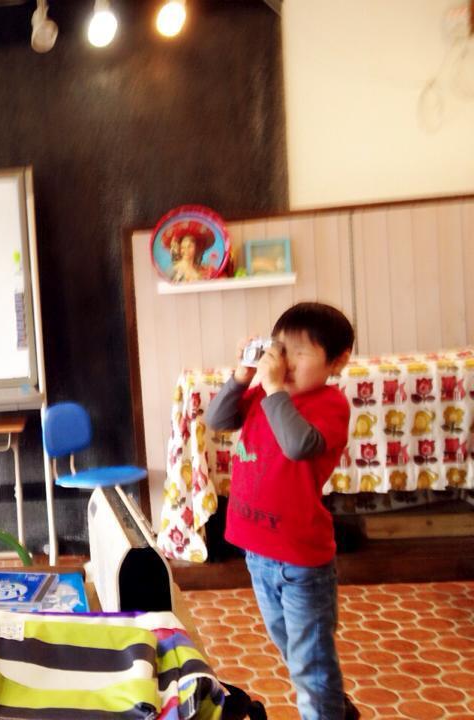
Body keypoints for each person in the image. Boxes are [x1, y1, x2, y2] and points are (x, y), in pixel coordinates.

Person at [204, 302, 359, 720]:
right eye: (281, 350)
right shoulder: (262, 393)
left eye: (301, 353)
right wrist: (242, 375)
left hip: (301, 561)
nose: (285, 363)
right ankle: (334, 707)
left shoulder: (329, 404)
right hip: (258, 553)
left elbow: (297, 445)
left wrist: (273, 390)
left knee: (309, 662)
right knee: (294, 650)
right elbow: (217, 419)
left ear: (338, 361)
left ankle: (325, 709)